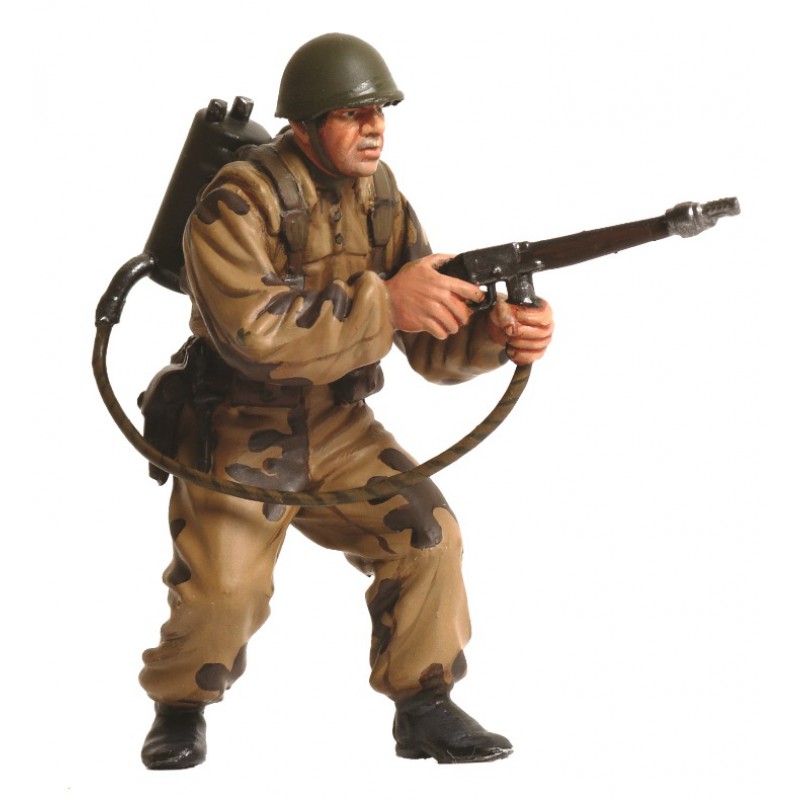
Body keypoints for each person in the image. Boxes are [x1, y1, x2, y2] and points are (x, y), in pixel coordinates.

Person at [139, 32, 554, 769]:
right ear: (303, 124)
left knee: (428, 538)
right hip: (237, 422)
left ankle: (424, 704)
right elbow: (253, 336)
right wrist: (386, 303)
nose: (373, 128)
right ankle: (180, 705)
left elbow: (426, 342)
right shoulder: (237, 200)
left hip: (337, 421)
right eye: (352, 114)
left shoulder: (381, 195)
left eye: (380, 111)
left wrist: (494, 335)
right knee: (223, 591)